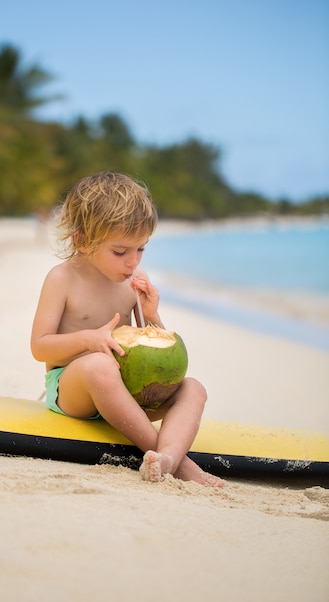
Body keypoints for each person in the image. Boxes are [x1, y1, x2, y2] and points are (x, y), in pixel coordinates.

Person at [31, 172, 224, 487]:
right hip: (74, 391)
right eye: (120, 252)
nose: (132, 262)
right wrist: (89, 340)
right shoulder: (62, 279)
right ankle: (183, 465)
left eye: (141, 250)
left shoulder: (132, 283)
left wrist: (152, 316)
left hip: (128, 393)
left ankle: (167, 457)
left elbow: (150, 347)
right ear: (82, 240)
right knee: (101, 365)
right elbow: (39, 346)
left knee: (194, 389)